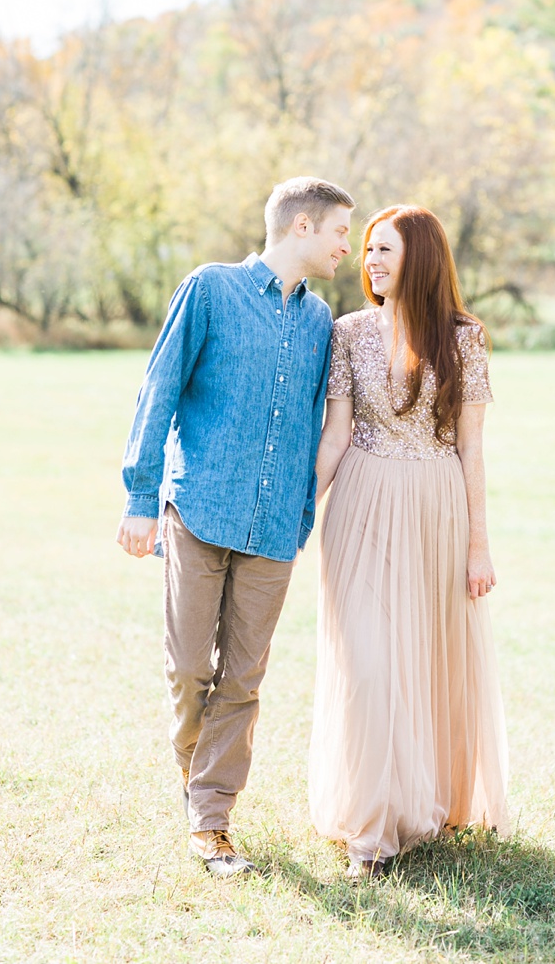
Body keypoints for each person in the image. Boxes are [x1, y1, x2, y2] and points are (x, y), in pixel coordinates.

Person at [117, 176, 354, 877]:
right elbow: (157, 389)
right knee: (191, 668)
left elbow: (319, 420)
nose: (347, 244)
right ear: (302, 225)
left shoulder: (321, 323)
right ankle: (202, 792)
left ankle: (211, 820)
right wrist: (139, 495)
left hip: (275, 527)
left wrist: (303, 511)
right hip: (198, 509)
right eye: (341, 230)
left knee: (243, 679)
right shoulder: (209, 289)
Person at [309, 204, 508, 879]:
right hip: (361, 504)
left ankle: (422, 801)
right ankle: (371, 830)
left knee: (423, 658)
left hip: (435, 507)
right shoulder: (346, 332)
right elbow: (335, 434)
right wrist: (299, 510)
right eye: (365, 248)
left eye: (384, 249)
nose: (369, 260)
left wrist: (478, 545)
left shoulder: (463, 337)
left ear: (418, 257)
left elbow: (472, 447)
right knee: (368, 662)